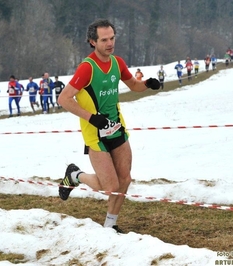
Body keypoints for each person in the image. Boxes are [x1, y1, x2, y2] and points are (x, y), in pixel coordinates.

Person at [57, 19, 160, 233]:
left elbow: (134, 85)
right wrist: (92, 117)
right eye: (104, 40)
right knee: (109, 186)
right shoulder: (87, 68)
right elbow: (64, 99)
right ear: (92, 42)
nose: (110, 43)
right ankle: (75, 176)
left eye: (112, 38)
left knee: (125, 180)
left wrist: (148, 84)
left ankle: (110, 226)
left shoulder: (117, 63)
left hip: (117, 128)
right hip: (95, 133)